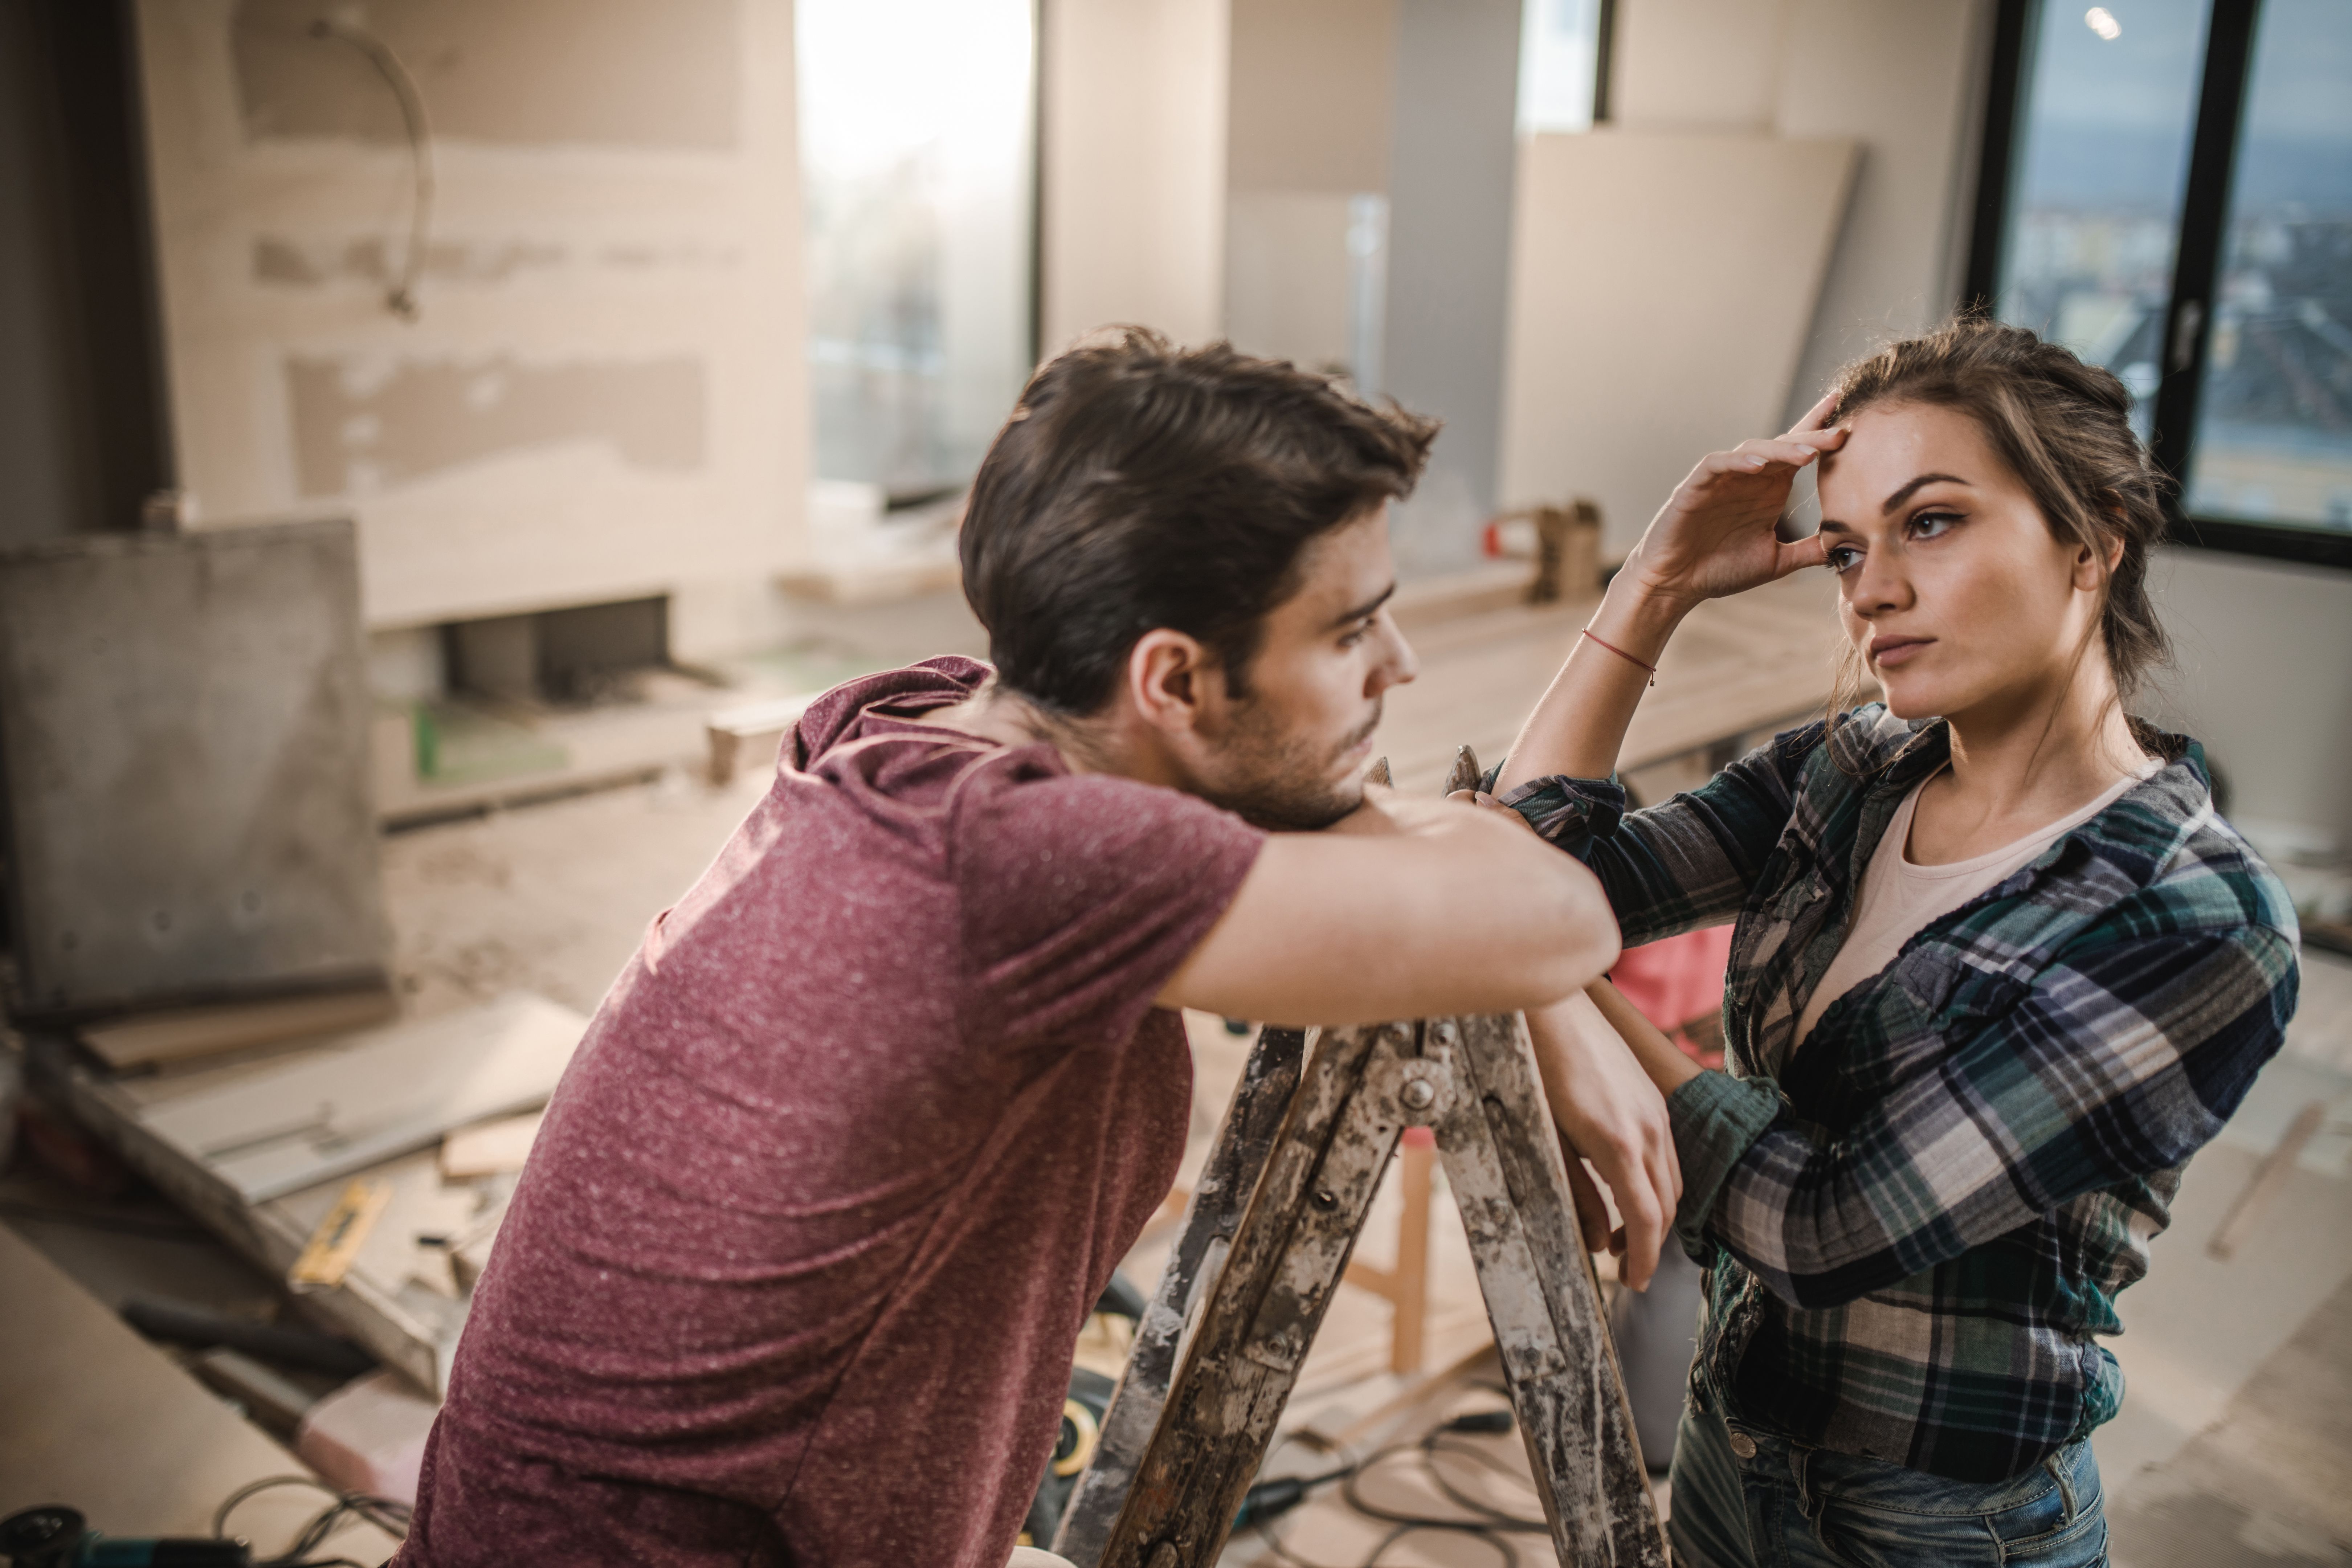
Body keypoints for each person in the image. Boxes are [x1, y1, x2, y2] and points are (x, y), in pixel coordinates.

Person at [390, 330, 1629, 1568]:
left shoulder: (908, 724)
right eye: (1353, 632)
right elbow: (1566, 916)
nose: (1401, 666)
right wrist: (1519, 962)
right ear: (1176, 684)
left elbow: (1396, 855)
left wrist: (1521, 985)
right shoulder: (1038, 864)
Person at [1494, 319, 2300, 1567]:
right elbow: (1535, 867)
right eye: (1849, 547)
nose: (1871, 589)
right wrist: (1652, 585)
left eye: (1931, 522)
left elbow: (1827, 1226)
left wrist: (1542, 978)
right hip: (1733, 1438)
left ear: (2091, 540)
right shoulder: (1855, 768)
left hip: (1942, 1526)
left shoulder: (2197, 915)